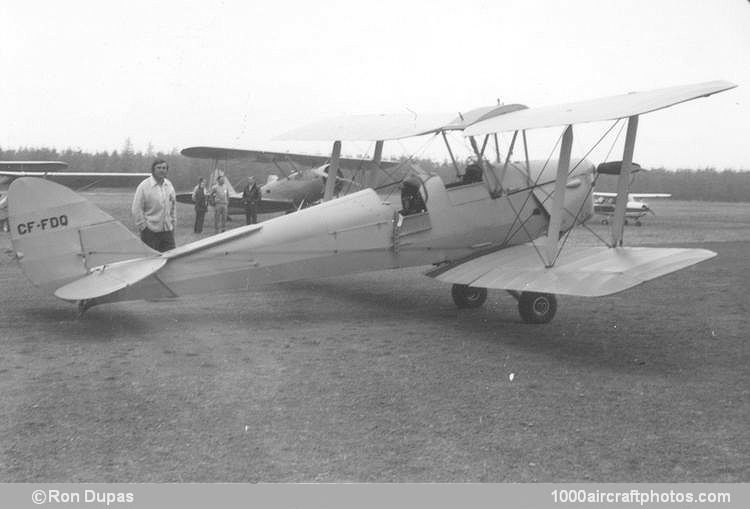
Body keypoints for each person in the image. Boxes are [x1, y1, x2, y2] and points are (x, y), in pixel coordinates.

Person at [132, 158, 176, 252]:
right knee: (151, 262)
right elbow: (137, 209)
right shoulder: (144, 186)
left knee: (171, 260)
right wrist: (144, 228)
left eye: (164, 168)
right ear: (153, 170)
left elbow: (173, 206)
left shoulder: (169, 185)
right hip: (150, 233)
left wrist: (172, 224)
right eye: (159, 168)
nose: (161, 170)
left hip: (167, 232)